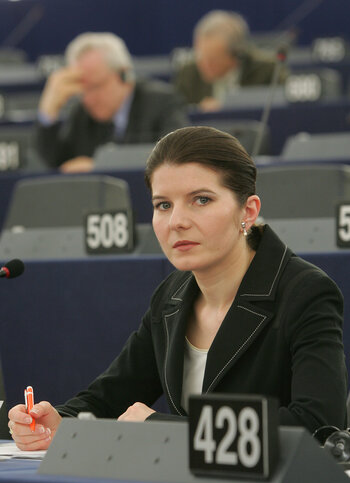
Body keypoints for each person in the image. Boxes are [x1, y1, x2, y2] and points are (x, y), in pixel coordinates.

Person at [8, 126, 347, 450]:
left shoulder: (305, 291)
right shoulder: (171, 295)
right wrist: (61, 422)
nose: (176, 222)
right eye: (163, 205)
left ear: (248, 211)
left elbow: (319, 424)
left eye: (201, 200)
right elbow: (108, 397)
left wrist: (162, 428)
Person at [36, 32, 189, 172]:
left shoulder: (162, 102)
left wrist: (100, 167)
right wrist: (48, 112)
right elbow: (58, 163)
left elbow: (177, 156)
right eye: (83, 90)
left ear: (124, 75)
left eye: (96, 87)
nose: (88, 99)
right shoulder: (81, 113)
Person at [173, 10, 288, 110]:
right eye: (201, 57)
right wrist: (198, 112)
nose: (204, 65)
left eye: (213, 60)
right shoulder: (188, 74)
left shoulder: (269, 72)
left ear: (236, 55)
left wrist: (228, 109)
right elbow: (176, 117)